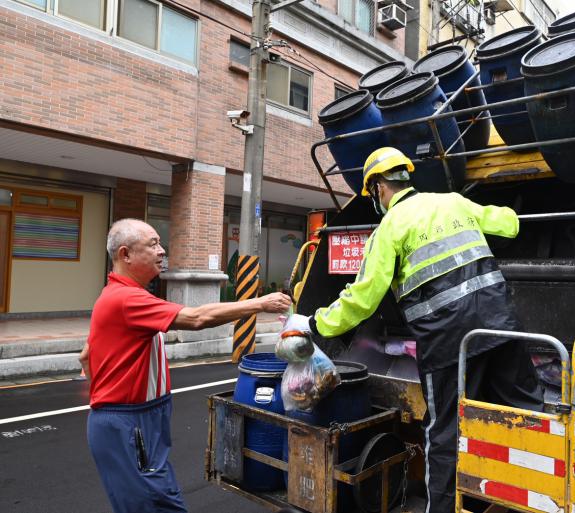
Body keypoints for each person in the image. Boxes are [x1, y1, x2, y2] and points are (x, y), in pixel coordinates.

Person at [286, 147, 544, 513]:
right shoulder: (453, 202)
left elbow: (362, 299)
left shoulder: (390, 228)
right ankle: (540, 498)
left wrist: (315, 323)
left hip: (448, 344)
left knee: (444, 434)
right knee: (527, 414)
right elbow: (509, 225)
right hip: (501, 327)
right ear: (406, 176)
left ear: (378, 188)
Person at [79, 218, 292, 513]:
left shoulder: (120, 295)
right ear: (125, 254)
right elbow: (197, 317)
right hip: (130, 422)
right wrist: (260, 303)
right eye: (153, 244)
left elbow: (86, 356)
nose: (162, 250)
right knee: (158, 504)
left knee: (154, 501)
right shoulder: (126, 299)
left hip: (137, 420)